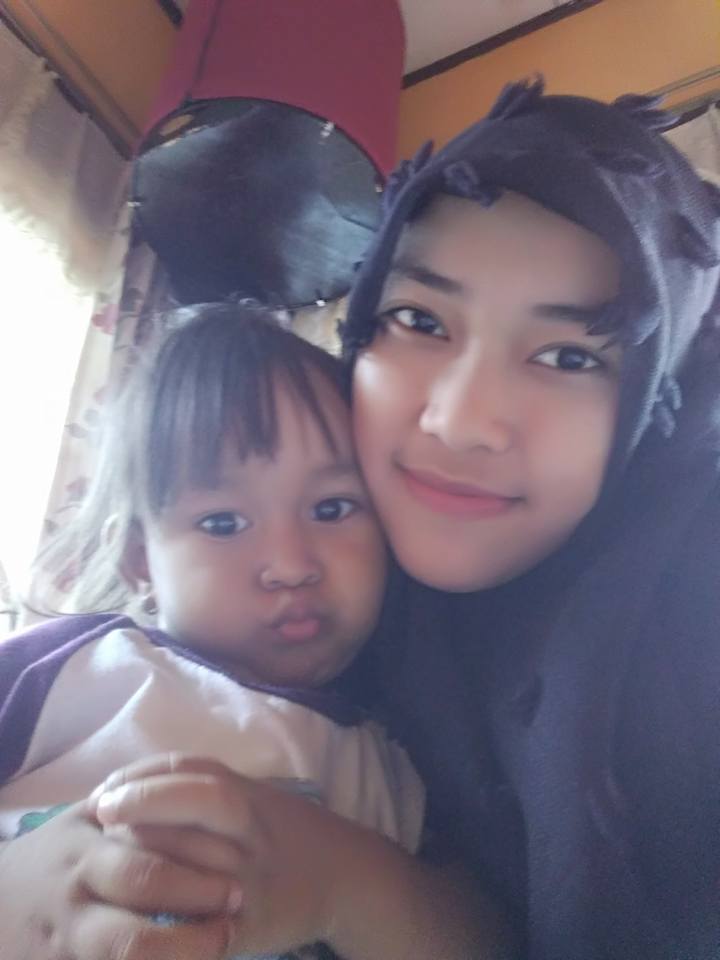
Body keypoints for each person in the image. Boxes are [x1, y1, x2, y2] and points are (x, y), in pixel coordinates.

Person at [4, 77, 717, 958]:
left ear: (658, 404)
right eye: (417, 318)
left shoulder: (683, 639)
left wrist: (345, 879)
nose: (460, 421)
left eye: (571, 355)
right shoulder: (101, 667)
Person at [0, 305, 508, 960]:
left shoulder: (397, 759)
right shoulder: (77, 668)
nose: (292, 565)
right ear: (139, 560)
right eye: (223, 523)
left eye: (332, 508)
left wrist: (345, 878)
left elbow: (482, 937)